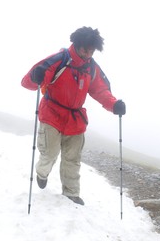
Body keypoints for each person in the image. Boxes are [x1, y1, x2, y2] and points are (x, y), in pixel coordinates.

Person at [21, 26, 126, 205]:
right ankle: (42, 172)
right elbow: (27, 82)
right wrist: (35, 76)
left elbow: (100, 90)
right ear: (76, 45)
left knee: (73, 158)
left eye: (92, 51)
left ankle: (71, 193)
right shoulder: (58, 60)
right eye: (85, 50)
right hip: (52, 113)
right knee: (50, 152)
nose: (88, 54)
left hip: (75, 120)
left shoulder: (91, 68)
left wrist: (114, 104)